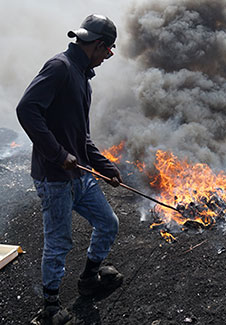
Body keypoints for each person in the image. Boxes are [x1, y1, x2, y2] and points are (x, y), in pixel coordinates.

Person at [16, 14, 123, 324]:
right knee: (59, 241)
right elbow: (26, 110)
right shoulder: (60, 68)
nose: (109, 56)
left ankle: (90, 278)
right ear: (100, 46)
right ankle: (49, 308)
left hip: (80, 176)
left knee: (108, 222)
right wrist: (58, 153)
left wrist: (105, 165)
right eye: (110, 50)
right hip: (55, 178)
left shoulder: (81, 76)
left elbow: (81, 136)